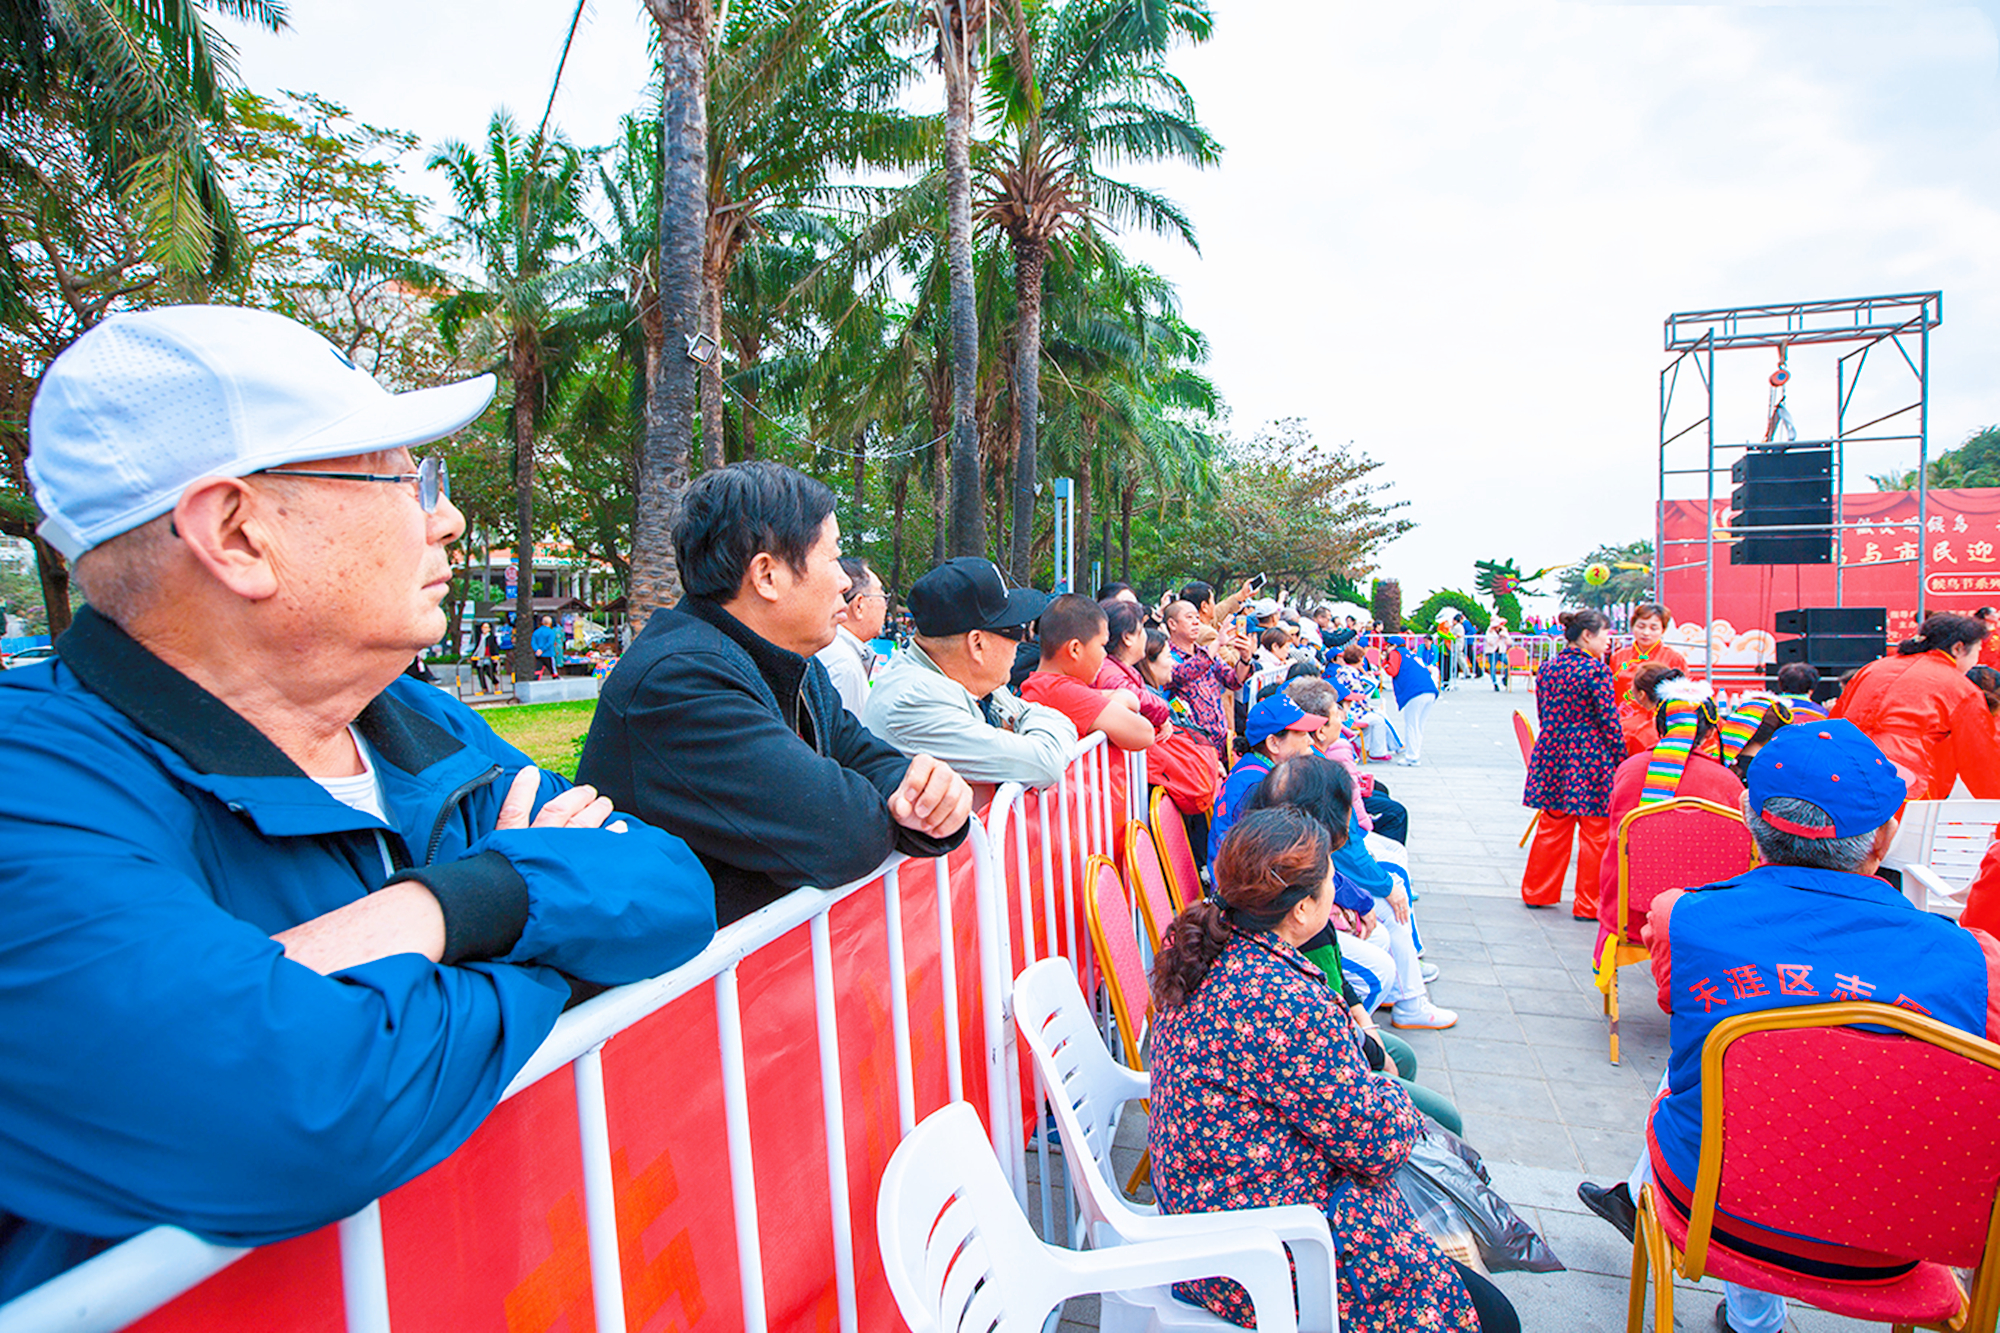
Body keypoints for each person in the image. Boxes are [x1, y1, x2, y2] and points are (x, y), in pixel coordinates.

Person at [0, 305, 717, 1300]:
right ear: (237, 533)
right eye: (402, 477)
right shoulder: (30, 775)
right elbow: (285, 1105)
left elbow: (667, 886)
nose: (445, 517)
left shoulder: (407, 717)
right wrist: (541, 925)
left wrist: (444, 910)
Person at [1576, 719, 2000, 1333]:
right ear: (1886, 835)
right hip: (1896, 1243)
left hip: (1719, 1216)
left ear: (1748, 815)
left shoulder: (1683, 918)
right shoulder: (1975, 962)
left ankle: (1750, 1314)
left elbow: (1674, 999)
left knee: (1702, 1073)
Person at [1147, 808, 1515, 1333]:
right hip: (1261, 1249)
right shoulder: (1277, 995)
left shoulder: (1212, 952)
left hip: (1217, 1208)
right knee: (1494, 1319)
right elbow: (1377, 1143)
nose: (1336, 890)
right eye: (1329, 882)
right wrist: (1390, 1098)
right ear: (1300, 910)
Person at [577, 461, 974, 926]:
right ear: (767, 575)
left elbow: (868, 760)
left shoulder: (790, 663)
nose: (846, 582)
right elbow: (841, 834)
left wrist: (928, 795)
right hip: (675, 991)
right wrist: (905, 808)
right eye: (832, 557)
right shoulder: (680, 682)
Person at [860, 557, 1074, 786]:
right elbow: (1044, 763)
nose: (1020, 643)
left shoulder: (967, 680)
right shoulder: (915, 700)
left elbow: (1056, 723)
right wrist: (1023, 729)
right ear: (977, 644)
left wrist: (1029, 726)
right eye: (1015, 630)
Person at [1591, 681, 1743, 981]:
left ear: (1659, 725)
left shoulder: (1630, 770)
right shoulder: (1727, 782)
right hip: (1705, 919)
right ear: (1710, 732)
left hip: (1629, 913)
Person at [1830, 611, 2000, 800]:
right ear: (1958, 648)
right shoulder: (1960, 687)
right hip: (1904, 778)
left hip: (1841, 772)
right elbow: (1980, 761)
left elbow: (1834, 722)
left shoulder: (1873, 668)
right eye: (1977, 651)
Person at [1521, 609, 1621, 917]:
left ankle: (1537, 891)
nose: (1608, 642)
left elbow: (1542, 711)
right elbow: (1609, 721)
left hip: (1552, 749)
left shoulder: (1549, 668)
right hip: (1590, 753)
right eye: (1605, 635)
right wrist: (1620, 758)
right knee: (1596, 832)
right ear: (1588, 635)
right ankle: (1589, 904)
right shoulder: (1596, 671)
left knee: (1553, 823)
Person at [1210, 694, 1324, 861]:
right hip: (1243, 882)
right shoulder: (1260, 787)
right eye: (1302, 733)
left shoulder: (1255, 769)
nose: (1310, 741)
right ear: (1273, 743)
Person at [1164, 597, 1255, 766]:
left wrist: (1245, 659)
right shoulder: (1166, 656)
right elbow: (1182, 673)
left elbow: (1233, 680)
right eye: (1189, 617)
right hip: (1193, 748)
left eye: (1197, 618)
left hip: (1221, 743)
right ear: (1172, 624)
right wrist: (1218, 643)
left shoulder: (1205, 653)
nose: (1196, 623)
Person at [814, 555, 886, 718]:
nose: (885, 606)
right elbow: (839, 739)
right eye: (882, 596)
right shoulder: (844, 663)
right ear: (859, 605)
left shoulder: (836, 651)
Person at [1609, 603, 1687, 734]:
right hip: (1622, 724)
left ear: (1662, 630)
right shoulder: (1618, 656)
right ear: (1632, 626)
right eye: (1641, 626)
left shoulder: (1674, 658)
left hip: (1657, 727)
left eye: (1653, 628)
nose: (1646, 633)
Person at [1383, 632, 1439, 765]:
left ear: (1393, 646)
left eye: (1388, 646)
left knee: (1412, 725)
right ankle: (1415, 753)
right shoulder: (1411, 654)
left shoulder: (1396, 653)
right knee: (1419, 725)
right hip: (1429, 690)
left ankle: (1412, 757)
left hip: (1414, 692)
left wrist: (1385, 663)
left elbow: (1393, 671)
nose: (1386, 648)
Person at [471, 619, 502, 692]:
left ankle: (495, 682)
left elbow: (494, 647)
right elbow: (477, 647)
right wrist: (473, 656)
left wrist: (495, 656)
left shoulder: (491, 637)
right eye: (483, 627)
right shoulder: (480, 637)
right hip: (479, 657)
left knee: (489, 671)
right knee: (480, 672)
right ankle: (484, 688)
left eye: (486, 627)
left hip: (487, 657)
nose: (484, 629)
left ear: (489, 629)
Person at [1484, 617, 1512, 690]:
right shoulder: (1489, 631)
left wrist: (1505, 636)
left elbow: (1509, 642)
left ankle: (1505, 678)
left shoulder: (1503, 630)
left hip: (1501, 651)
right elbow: (1490, 642)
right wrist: (1498, 638)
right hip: (1492, 652)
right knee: (1493, 667)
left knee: (1509, 664)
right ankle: (1495, 683)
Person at [530, 613, 559, 679]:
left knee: (538, 669)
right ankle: (556, 679)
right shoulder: (551, 632)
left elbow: (533, 642)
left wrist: (537, 650)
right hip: (548, 654)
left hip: (538, 655)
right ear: (550, 623)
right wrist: (543, 650)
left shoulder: (536, 632)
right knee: (553, 669)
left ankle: (536, 680)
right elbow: (550, 643)